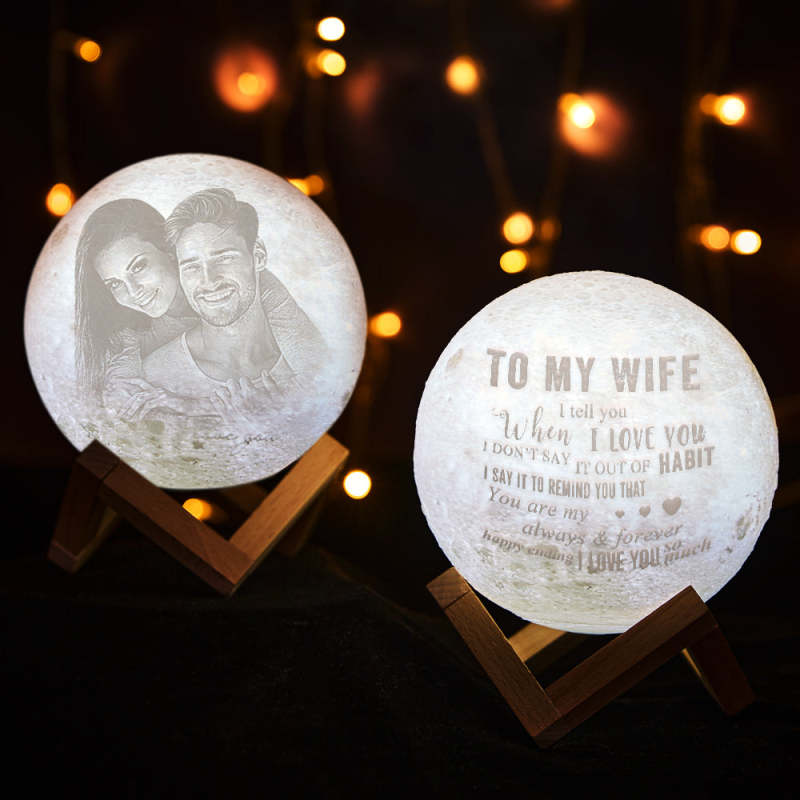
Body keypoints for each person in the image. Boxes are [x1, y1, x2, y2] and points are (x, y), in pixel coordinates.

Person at [142, 188, 323, 422]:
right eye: (191, 266)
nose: (209, 281)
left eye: (224, 258)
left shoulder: (318, 369)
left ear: (258, 256)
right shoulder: (155, 378)